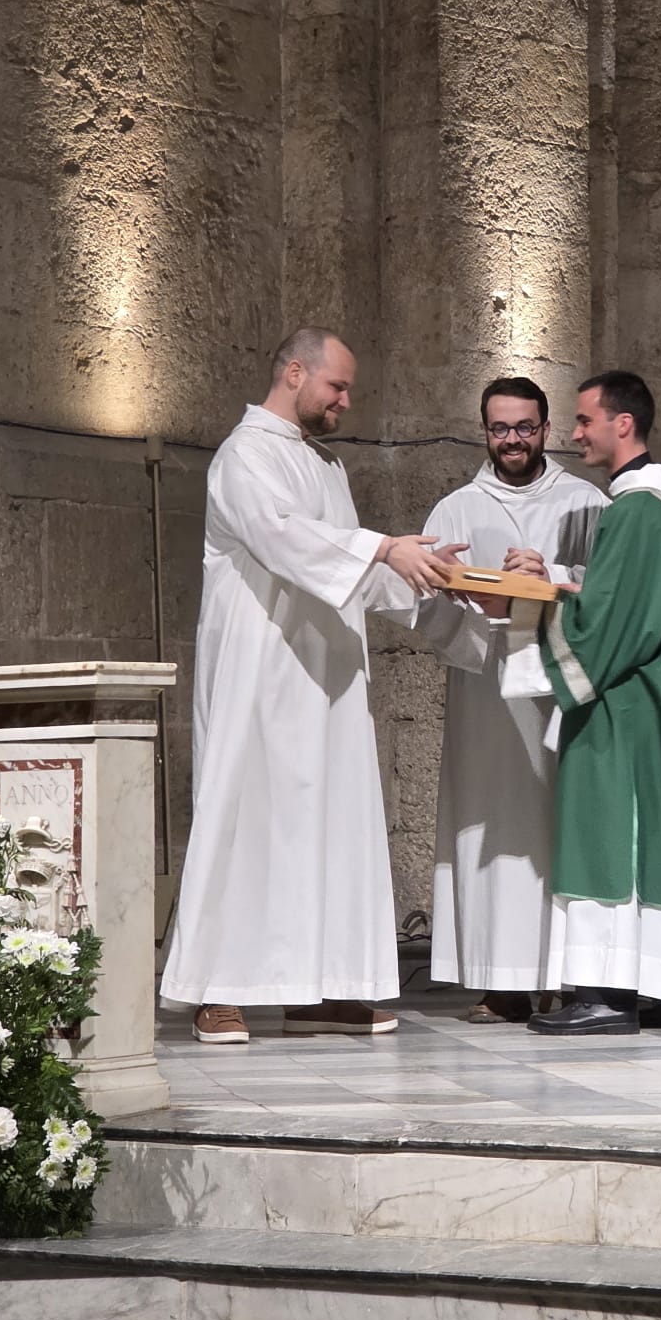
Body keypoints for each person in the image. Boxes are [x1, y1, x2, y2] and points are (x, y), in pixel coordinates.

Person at [161, 328, 457, 1044]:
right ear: (295, 373)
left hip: (325, 678)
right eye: (338, 387)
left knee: (330, 826)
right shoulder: (244, 456)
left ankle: (326, 988)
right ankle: (214, 989)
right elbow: (285, 539)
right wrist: (385, 546)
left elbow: (348, 564)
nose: (346, 401)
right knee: (246, 818)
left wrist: (437, 578)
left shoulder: (323, 465)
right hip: (260, 677)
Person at [531, 371, 661, 1034]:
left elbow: (610, 628)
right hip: (648, 701)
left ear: (624, 424)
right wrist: (562, 590)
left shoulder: (639, 511)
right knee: (652, 841)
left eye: (585, 420)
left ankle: (607, 993)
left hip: (625, 713)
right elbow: (622, 606)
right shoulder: (651, 506)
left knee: (610, 837)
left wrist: (532, 608)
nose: (574, 433)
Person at [414, 376, 607, 1021]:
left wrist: (551, 578)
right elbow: (423, 602)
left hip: (558, 686)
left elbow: (608, 590)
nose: (513, 440)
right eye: (501, 429)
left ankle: (568, 975)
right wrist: (461, 594)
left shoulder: (585, 502)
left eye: (525, 427)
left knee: (556, 826)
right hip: (486, 694)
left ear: (546, 430)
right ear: (485, 431)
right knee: (490, 827)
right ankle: (500, 982)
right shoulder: (456, 508)